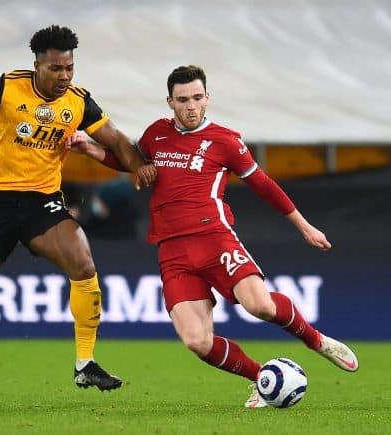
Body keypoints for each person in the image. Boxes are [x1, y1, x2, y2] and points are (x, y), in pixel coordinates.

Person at [68, 65, 358, 408]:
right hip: (172, 250)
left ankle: (317, 341)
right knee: (195, 340)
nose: (190, 106)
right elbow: (129, 162)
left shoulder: (225, 140)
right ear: (170, 102)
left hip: (214, 238)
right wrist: (89, 150)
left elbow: (263, 185)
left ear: (207, 98)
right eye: (182, 100)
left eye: (196, 98)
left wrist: (305, 226)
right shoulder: (156, 134)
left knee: (259, 305)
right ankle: (262, 379)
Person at [0, 25, 157, 402]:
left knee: (83, 263)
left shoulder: (79, 102)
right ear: (37, 65)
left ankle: (85, 363)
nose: (64, 76)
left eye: (69, 68)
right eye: (56, 69)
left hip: (42, 201)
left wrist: (138, 165)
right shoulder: (5, 87)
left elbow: (117, 139)